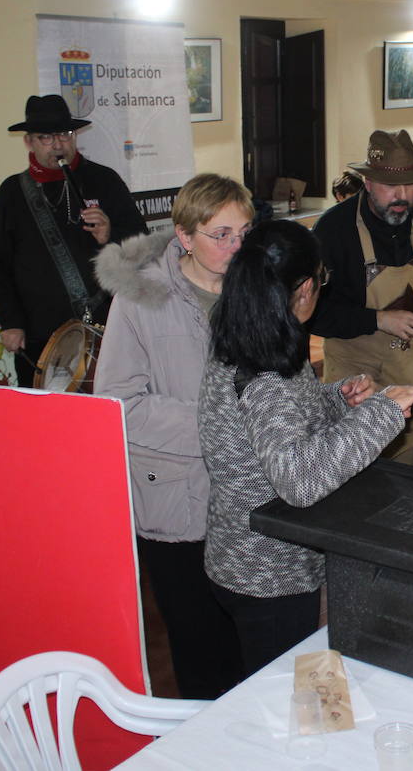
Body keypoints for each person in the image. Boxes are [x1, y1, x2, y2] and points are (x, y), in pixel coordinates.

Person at [198, 220, 413, 675]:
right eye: (321, 281)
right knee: (286, 699)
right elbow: (300, 481)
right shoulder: (264, 373)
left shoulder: (253, 336)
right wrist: (381, 414)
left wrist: (337, 399)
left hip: (244, 555)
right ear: (304, 288)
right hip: (267, 574)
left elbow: (277, 425)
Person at [93, 173, 253, 699]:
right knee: (200, 651)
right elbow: (119, 404)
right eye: (221, 234)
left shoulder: (251, 290)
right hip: (177, 499)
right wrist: (215, 426)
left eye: (244, 233)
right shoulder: (140, 300)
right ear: (184, 236)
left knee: (248, 647)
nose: (236, 246)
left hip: (247, 494)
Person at [0, 94, 147, 386]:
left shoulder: (103, 180)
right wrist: (11, 323)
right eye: (46, 137)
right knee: (42, 422)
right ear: (29, 142)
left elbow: (142, 247)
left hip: (105, 328)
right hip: (38, 335)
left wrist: (110, 236)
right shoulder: (11, 193)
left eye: (64, 135)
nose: (58, 145)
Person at [311, 130, 413, 463]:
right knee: (357, 468)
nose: (402, 196)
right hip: (353, 374)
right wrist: (379, 319)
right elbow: (315, 314)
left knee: (408, 461)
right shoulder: (334, 231)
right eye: (391, 186)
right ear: (368, 183)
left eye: (410, 185)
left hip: (405, 365)